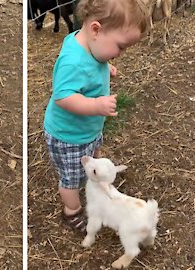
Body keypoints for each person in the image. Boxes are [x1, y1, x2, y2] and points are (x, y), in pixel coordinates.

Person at [43, 0, 147, 233]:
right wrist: (95, 105)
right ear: (96, 30)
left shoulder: (90, 47)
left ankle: (96, 179)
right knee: (71, 180)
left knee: (92, 158)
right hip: (68, 136)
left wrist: (104, 67)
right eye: (121, 47)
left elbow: (93, 62)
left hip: (88, 131)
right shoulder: (73, 62)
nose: (122, 53)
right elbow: (63, 97)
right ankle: (72, 211)